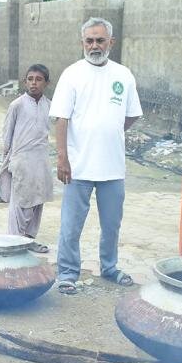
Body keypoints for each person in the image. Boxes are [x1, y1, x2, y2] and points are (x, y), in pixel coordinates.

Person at [50, 17, 142, 294]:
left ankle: (110, 267)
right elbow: (61, 119)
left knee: (112, 224)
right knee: (71, 225)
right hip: (78, 167)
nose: (94, 45)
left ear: (110, 42)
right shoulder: (72, 74)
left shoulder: (123, 75)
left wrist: (110, 132)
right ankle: (67, 272)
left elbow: (131, 114)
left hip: (113, 167)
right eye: (89, 40)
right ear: (82, 43)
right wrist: (62, 158)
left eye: (100, 40)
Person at [0, 64, 53, 252]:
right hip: (21, 159)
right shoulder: (17, 105)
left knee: (38, 200)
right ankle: (15, 241)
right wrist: (6, 161)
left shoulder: (49, 106)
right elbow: (7, 135)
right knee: (20, 202)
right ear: (25, 81)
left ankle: (29, 240)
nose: (33, 83)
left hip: (41, 160)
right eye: (30, 79)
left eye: (39, 79)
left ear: (46, 83)